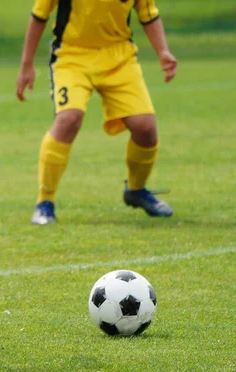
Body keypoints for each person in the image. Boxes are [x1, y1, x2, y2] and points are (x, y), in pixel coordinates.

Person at [16, 0, 177, 225]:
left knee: (146, 128)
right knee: (68, 119)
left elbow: (148, 14)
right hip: (71, 56)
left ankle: (136, 189)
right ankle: (45, 202)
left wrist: (163, 52)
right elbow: (39, 15)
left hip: (119, 59)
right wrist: (26, 65)